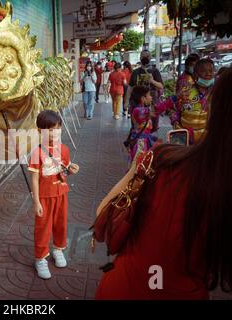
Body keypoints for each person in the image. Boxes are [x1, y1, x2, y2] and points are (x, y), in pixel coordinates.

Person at [95, 67, 232, 299]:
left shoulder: (167, 162)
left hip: (125, 286)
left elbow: (102, 218)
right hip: (142, 146)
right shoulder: (154, 139)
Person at [28, 110, 80, 279]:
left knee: (61, 224)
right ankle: (40, 258)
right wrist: (36, 202)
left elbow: (64, 171)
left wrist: (72, 170)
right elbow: (34, 179)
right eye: (49, 129)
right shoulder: (37, 152)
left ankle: (58, 249)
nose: (53, 133)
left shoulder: (64, 149)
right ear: (39, 131)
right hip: (44, 196)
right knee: (43, 228)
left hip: (61, 194)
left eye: (57, 128)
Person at [170, 58, 215, 144]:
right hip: (184, 139)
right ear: (195, 74)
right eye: (204, 71)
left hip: (208, 141)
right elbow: (173, 109)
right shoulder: (185, 91)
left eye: (211, 71)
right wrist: (175, 122)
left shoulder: (218, 93)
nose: (208, 74)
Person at [125, 50, 164, 131]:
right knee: (137, 127)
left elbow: (161, 86)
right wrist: (126, 102)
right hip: (137, 104)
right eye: (143, 56)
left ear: (150, 57)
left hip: (151, 104)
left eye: (147, 56)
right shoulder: (135, 72)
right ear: (140, 58)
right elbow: (130, 88)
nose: (145, 58)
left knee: (152, 127)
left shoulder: (155, 71)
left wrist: (152, 81)